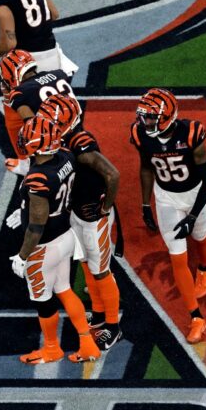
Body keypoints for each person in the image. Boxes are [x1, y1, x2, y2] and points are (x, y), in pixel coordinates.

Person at [7, 116, 100, 364]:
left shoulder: (38, 178)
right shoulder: (66, 157)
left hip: (44, 246)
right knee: (65, 290)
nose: (23, 141)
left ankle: (51, 348)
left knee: (43, 301)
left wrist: (22, 255)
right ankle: (87, 344)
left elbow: (37, 224)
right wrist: (24, 209)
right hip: (65, 235)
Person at [36, 94, 122, 350]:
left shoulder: (81, 144)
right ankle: (97, 314)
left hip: (94, 217)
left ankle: (113, 325)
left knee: (101, 270)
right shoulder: (62, 141)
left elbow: (113, 174)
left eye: (51, 122)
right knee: (85, 264)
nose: (47, 127)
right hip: (76, 212)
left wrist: (105, 208)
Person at [130, 88, 206, 344]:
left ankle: (205, 270)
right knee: (177, 257)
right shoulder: (140, 134)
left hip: (194, 193)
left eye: (152, 118)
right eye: (145, 117)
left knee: (200, 237)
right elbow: (146, 167)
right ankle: (196, 318)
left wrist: (193, 214)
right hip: (166, 197)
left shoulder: (191, 133)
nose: (146, 122)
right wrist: (146, 204)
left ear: (167, 116)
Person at [0, 49, 75, 175]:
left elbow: (32, 128)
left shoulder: (19, 93)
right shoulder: (59, 73)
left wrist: (9, 95)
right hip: (76, 130)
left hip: (55, 145)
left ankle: (25, 165)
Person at [0, 0, 78, 75]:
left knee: (22, 98)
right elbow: (54, 14)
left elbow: (8, 44)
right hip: (52, 53)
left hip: (25, 62)